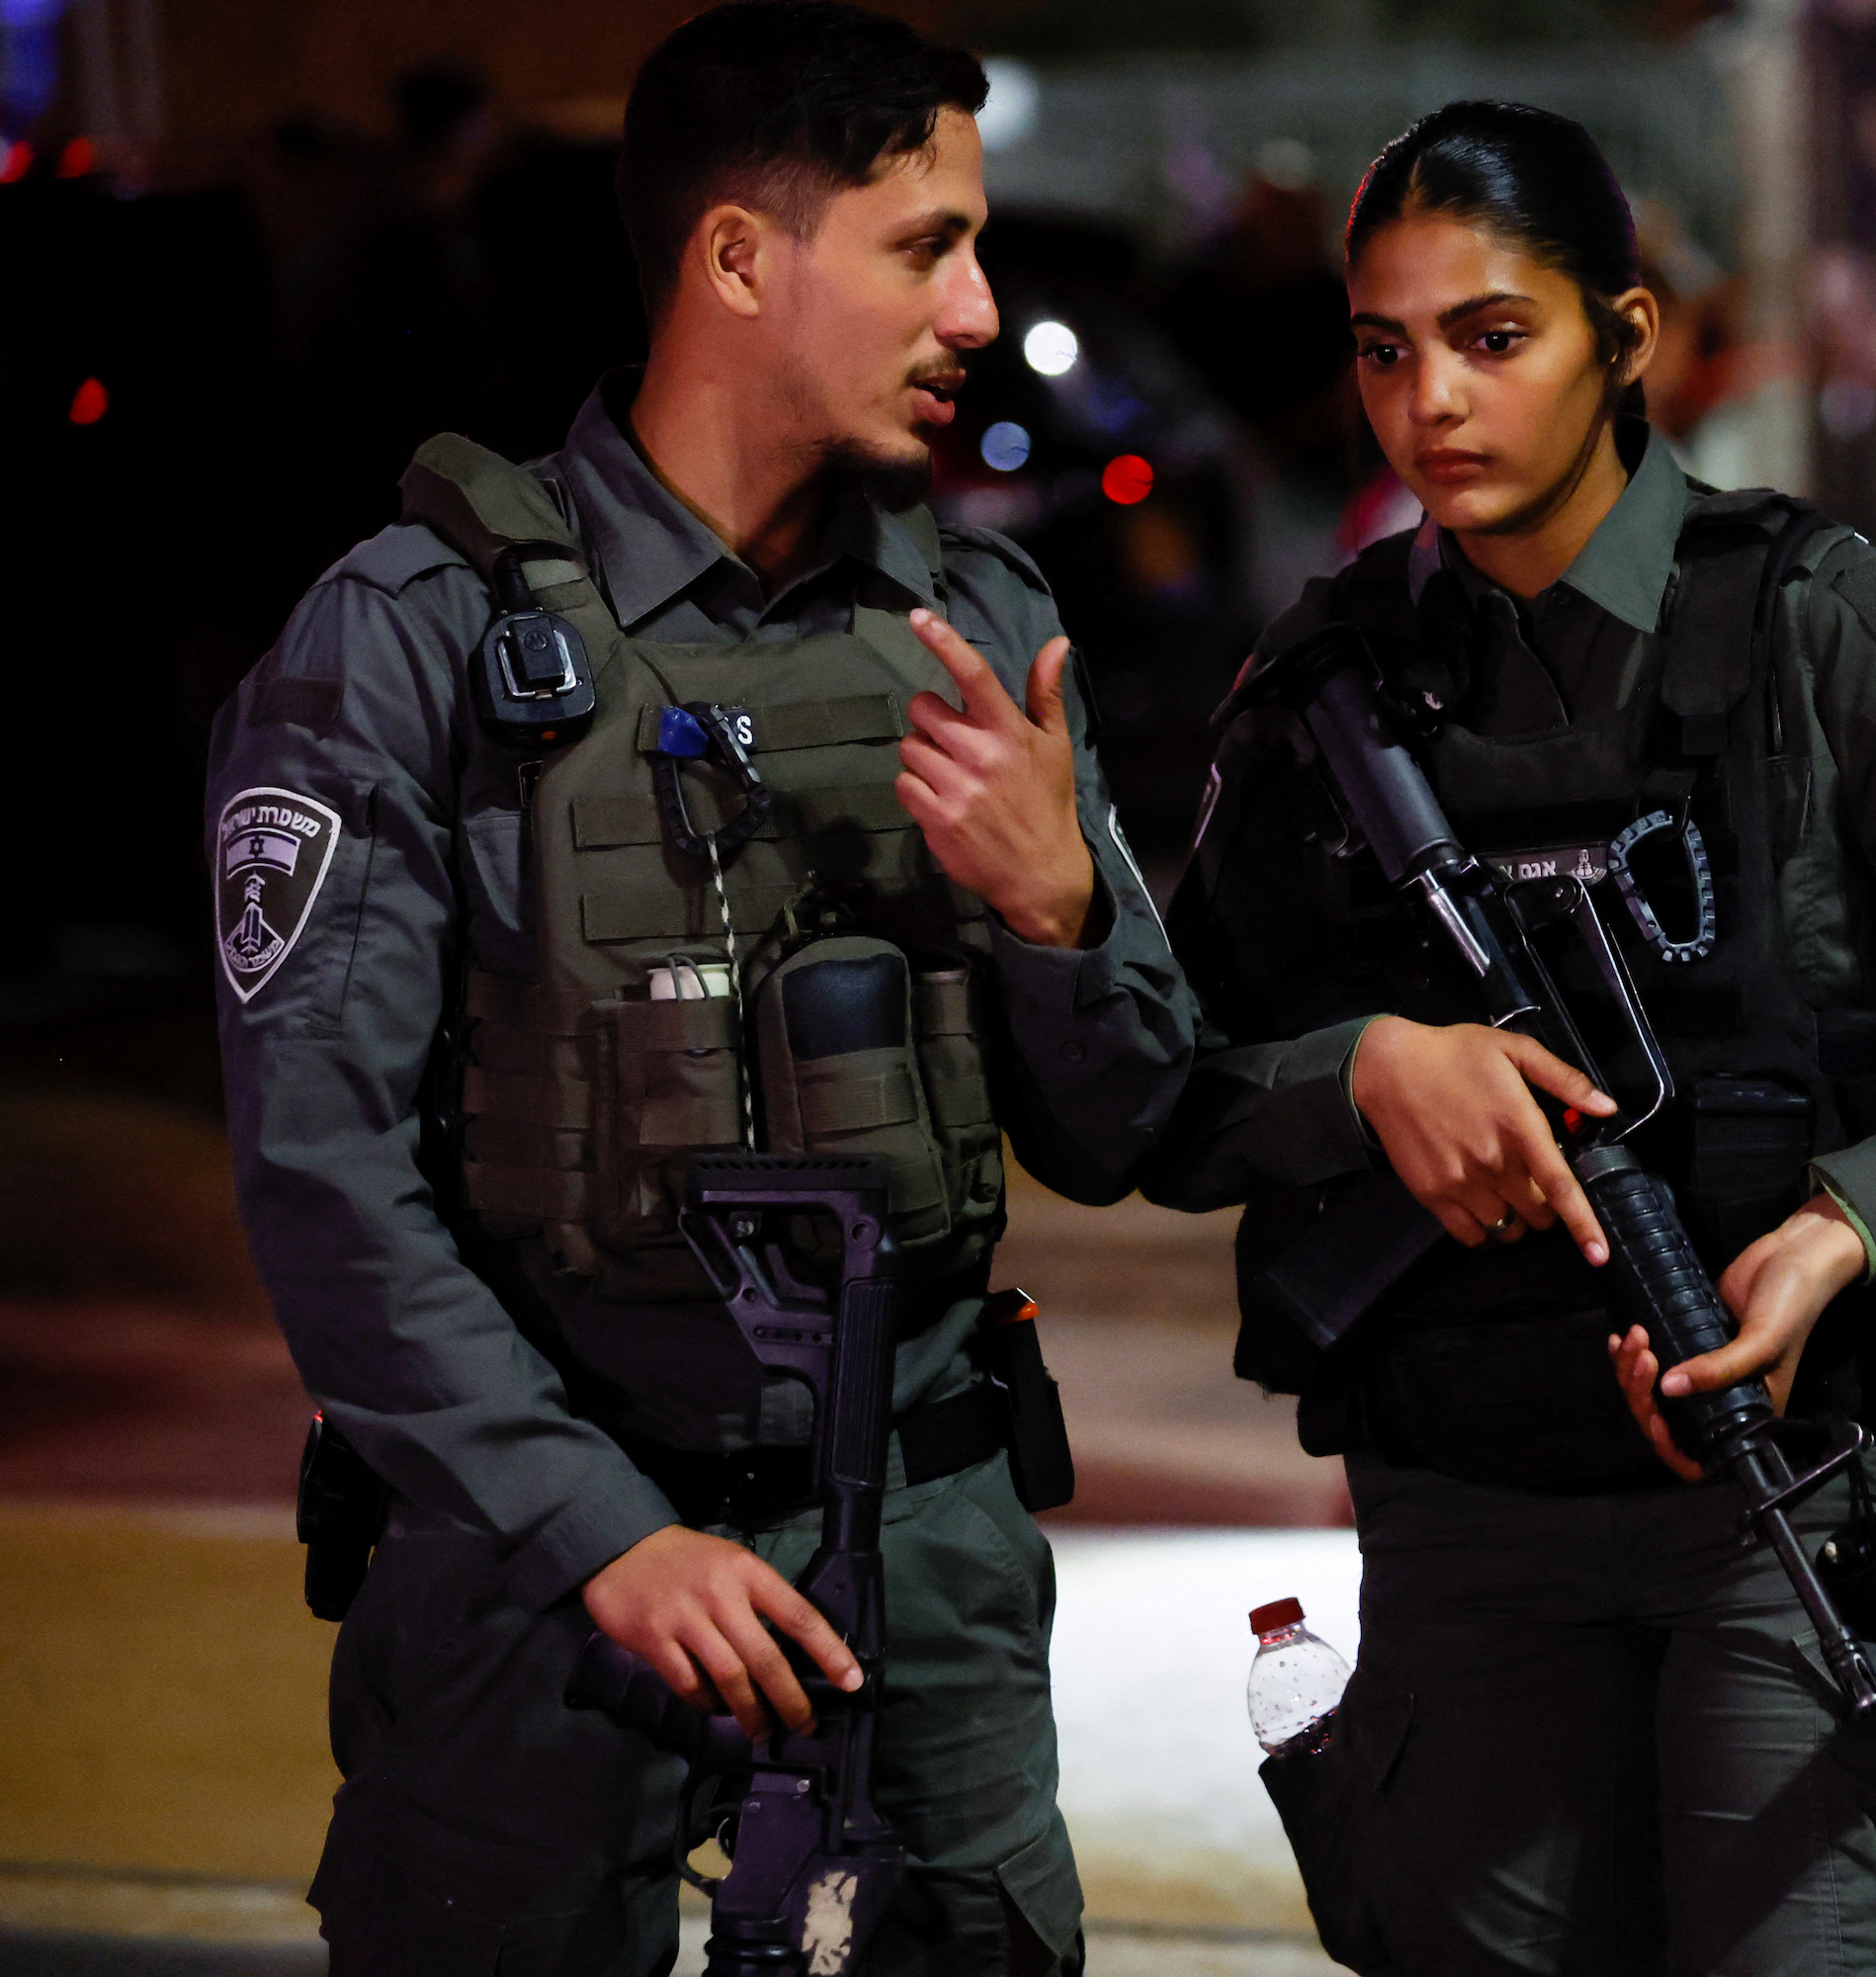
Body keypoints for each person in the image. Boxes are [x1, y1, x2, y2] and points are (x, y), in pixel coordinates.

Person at [208, 5, 1196, 1967]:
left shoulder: (979, 627)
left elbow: (1122, 1126)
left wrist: (1058, 911)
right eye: (928, 246)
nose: (983, 310)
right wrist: (601, 1532)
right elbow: (321, 1172)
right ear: (745, 259)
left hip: (918, 1572)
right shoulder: (411, 637)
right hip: (536, 1577)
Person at [1147, 101, 1876, 1974]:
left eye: (1492, 336)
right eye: (1385, 348)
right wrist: (1365, 1071)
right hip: (1472, 1510)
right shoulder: (1319, 694)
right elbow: (1160, 1093)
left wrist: (1843, 1228)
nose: (1430, 402)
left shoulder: (1827, 636)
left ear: (1628, 336)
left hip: (1800, 1489)